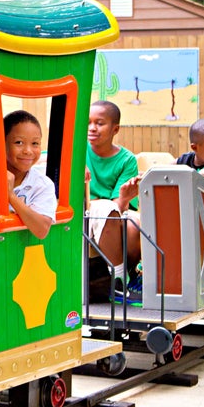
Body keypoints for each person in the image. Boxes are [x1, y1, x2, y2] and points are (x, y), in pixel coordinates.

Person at [85, 100, 142, 304]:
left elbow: (116, 207)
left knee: (135, 226)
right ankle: (119, 282)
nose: (92, 128)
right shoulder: (76, 150)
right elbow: (44, 160)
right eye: (88, 122)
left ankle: (127, 277)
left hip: (110, 211)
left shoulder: (126, 160)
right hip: (82, 210)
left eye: (99, 123)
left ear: (115, 129)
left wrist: (124, 197)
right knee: (104, 209)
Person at [4, 110, 57, 239]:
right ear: (1, 143)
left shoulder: (42, 185)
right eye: (19, 142)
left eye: (35, 143)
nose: (28, 151)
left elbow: (42, 229)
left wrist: (10, 195)